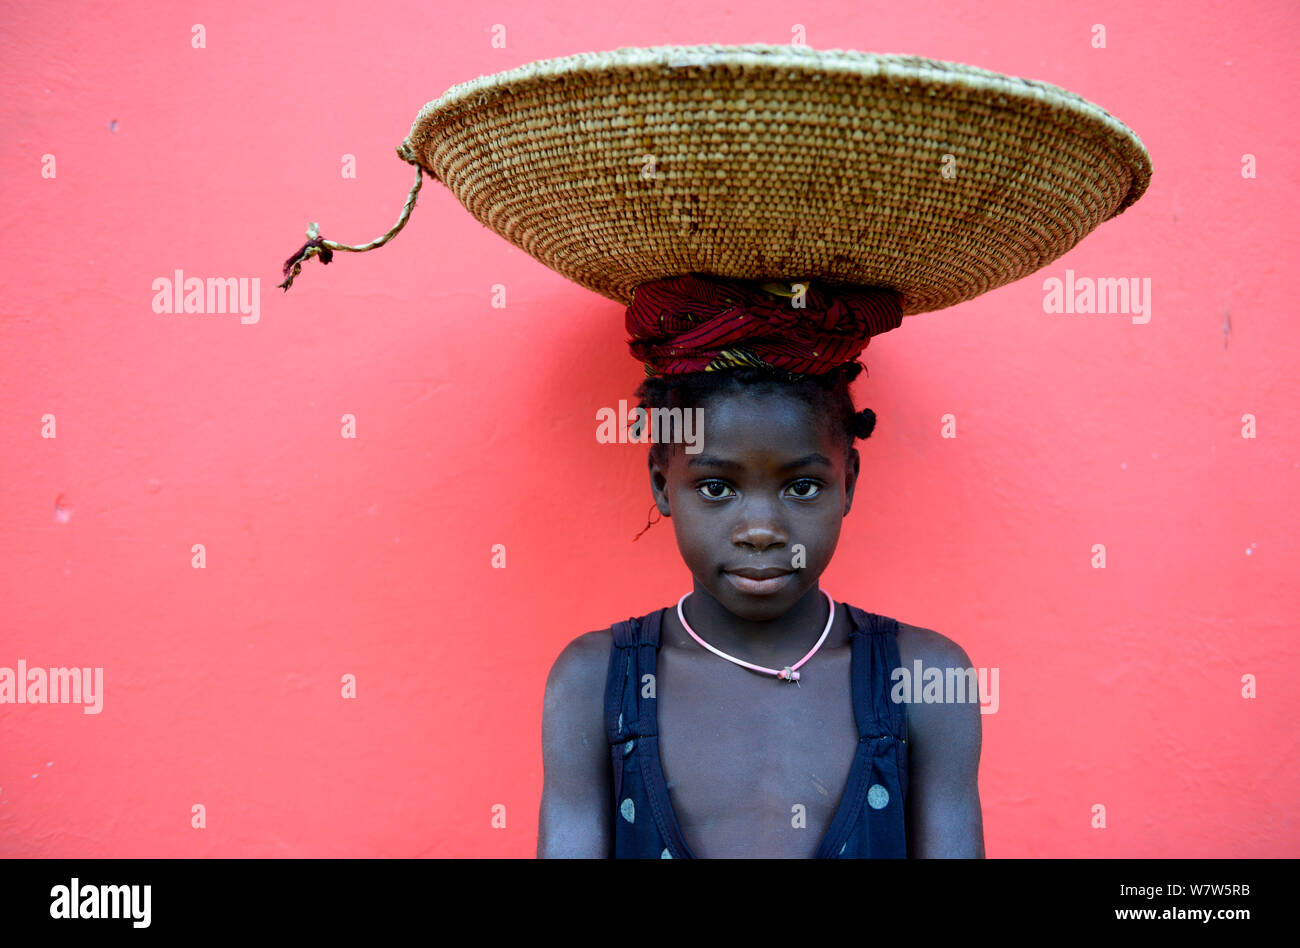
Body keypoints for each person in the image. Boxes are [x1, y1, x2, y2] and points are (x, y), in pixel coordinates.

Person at [537, 273, 984, 858]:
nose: (761, 531)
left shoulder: (925, 678)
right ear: (662, 485)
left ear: (846, 483)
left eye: (801, 486)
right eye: (717, 487)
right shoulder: (594, 682)